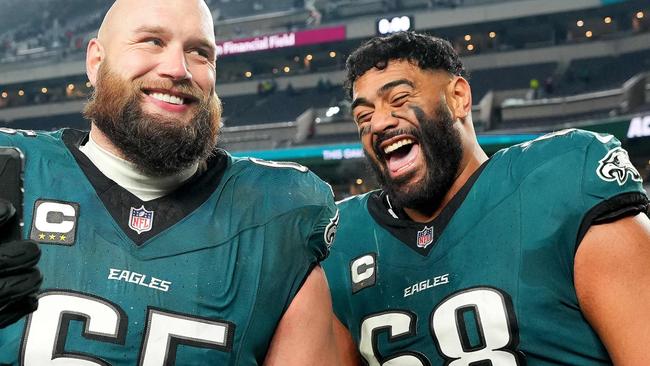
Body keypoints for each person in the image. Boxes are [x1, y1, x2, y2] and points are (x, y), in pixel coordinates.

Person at [0, 1, 341, 364]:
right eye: (152, 41)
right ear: (96, 62)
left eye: (199, 52)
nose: (178, 69)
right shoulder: (12, 171)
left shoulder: (278, 211)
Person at [323, 31, 650, 365]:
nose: (378, 123)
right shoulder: (344, 240)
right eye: (363, 117)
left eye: (399, 99)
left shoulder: (559, 179)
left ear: (458, 97)